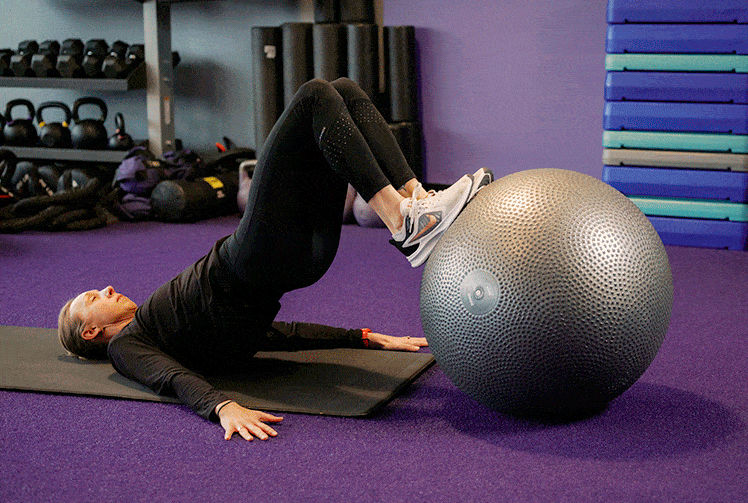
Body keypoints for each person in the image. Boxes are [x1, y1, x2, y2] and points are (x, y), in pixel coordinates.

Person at [57, 77, 492, 442]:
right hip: (255, 256)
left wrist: (364, 337)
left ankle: (415, 201)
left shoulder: (185, 334)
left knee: (344, 91)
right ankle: (404, 221)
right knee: (315, 96)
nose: (107, 288)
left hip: (298, 262)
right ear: (92, 330)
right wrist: (221, 407)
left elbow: (277, 334)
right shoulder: (126, 345)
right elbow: (167, 378)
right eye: (92, 297)